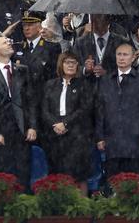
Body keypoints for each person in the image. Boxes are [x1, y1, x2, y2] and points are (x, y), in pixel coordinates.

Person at [0, 35, 37, 188]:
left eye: (10, 41)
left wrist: (32, 126)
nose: (10, 43)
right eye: (5, 42)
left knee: (24, 172)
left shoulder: (22, 70)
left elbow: (30, 101)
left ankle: (23, 204)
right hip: (2, 130)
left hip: (22, 129)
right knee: (5, 175)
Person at [96, 43, 139, 178]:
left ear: (133, 57)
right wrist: (99, 137)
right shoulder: (105, 81)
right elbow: (99, 110)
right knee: (113, 181)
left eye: (125, 54)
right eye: (119, 54)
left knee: (135, 180)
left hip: (135, 139)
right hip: (112, 139)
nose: (121, 58)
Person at [41, 52, 93, 195]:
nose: (70, 65)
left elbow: (84, 109)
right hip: (54, 136)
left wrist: (65, 123)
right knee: (57, 174)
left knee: (78, 175)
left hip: (76, 136)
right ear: (61, 64)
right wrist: (55, 124)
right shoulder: (50, 85)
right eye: (67, 62)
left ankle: (82, 210)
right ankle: (59, 211)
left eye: (74, 62)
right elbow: (44, 110)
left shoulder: (84, 84)